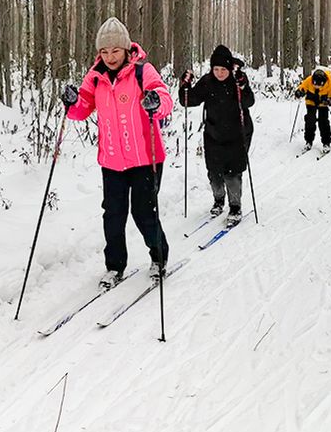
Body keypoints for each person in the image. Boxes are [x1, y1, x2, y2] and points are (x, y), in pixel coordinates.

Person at [63, 17, 174, 287]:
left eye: (115, 51)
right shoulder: (95, 77)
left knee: (143, 212)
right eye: (104, 51)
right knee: (113, 214)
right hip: (112, 160)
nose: (110, 57)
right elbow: (82, 109)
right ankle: (114, 267)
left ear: (126, 49)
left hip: (145, 158)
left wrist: (155, 102)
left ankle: (158, 258)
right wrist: (72, 101)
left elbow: (165, 98)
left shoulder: (142, 71)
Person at [180, 45, 254, 224]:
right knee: (214, 173)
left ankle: (235, 206)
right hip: (214, 134)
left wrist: (243, 85)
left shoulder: (237, 81)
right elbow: (188, 101)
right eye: (216, 69)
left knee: (233, 173)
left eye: (223, 69)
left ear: (230, 68)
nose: (220, 73)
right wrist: (185, 86)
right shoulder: (207, 82)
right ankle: (218, 200)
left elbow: (249, 101)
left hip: (238, 134)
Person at [294, 67, 331, 153]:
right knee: (310, 120)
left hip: (323, 104)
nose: (316, 87)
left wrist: (329, 101)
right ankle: (308, 141)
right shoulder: (309, 80)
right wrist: (299, 93)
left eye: (319, 85)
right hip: (311, 102)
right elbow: (302, 88)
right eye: (315, 85)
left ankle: (326, 143)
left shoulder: (329, 84)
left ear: (323, 83)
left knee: (323, 122)